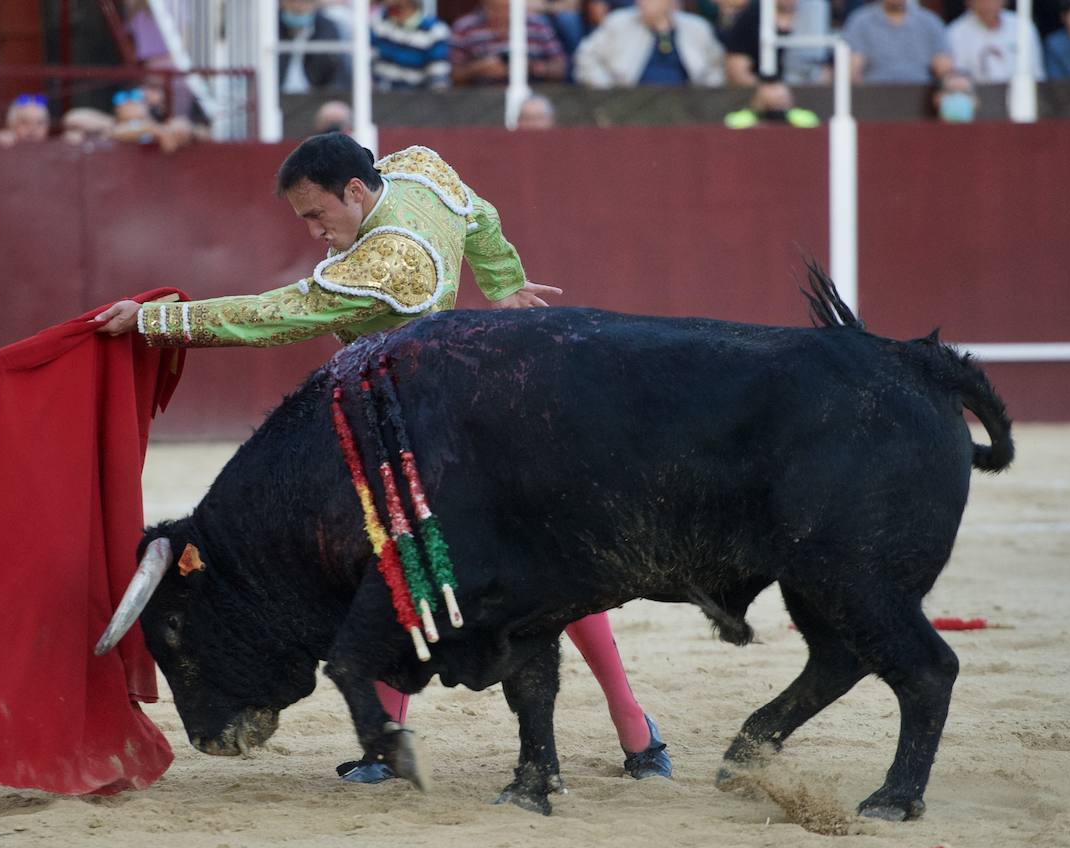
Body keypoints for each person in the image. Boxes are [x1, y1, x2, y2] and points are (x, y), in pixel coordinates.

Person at [92, 133, 673, 785]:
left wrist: (154, 324)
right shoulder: (416, 169)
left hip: (424, 427)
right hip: (469, 405)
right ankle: (634, 737)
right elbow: (478, 212)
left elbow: (279, 314)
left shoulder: (388, 262)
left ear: (357, 191)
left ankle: (612, 725)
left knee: (423, 561)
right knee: (505, 565)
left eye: (318, 215)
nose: (314, 231)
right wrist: (504, 279)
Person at [574, 0, 726, 87]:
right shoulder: (618, 23)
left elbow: (717, 65)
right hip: (628, 107)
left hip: (687, 108)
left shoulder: (696, 27)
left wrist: (705, 96)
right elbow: (586, 57)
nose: (642, 3)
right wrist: (608, 90)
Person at [450, 0, 569, 86]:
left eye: (507, 8)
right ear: (484, 5)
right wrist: (478, 69)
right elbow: (452, 76)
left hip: (531, 95)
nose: (502, 14)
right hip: (479, 100)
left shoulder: (537, 25)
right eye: (495, 9)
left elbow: (561, 69)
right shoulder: (465, 28)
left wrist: (531, 67)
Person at [722, 0, 832, 86]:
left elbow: (827, 68)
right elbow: (737, 69)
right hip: (761, 99)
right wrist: (770, 92)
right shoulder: (750, 18)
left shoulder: (816, 15)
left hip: (811, 93)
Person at [842, 0, 952, 84]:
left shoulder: (929, 21)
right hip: (874, 93)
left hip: (921, 94)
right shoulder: (861, 22)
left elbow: (945, 70)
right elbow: (852, 70)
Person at [947, 0, 1046, 83]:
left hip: (1019, 97)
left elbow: (1036, 74)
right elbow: (958, 79)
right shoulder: (955, 33)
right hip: (977, 99)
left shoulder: (1023, 26)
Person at [371, 0, 453, 90]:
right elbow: (364, 68)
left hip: (418, 99)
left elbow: (439, 79)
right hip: (378, 97)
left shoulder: (435, 30)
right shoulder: (376, 24)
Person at [280, 0, 352, 93]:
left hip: (316, 99)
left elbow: (338, 75)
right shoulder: (271, 30)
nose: (299, 6)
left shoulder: (327, 29)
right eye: (294, 1)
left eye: (306, 2)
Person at [724, 78, 821, 126]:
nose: (776, 104)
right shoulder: (743, 119)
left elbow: (812, 125)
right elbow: (731, 124)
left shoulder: (802, 117)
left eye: (780, 98)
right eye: (769, 100)